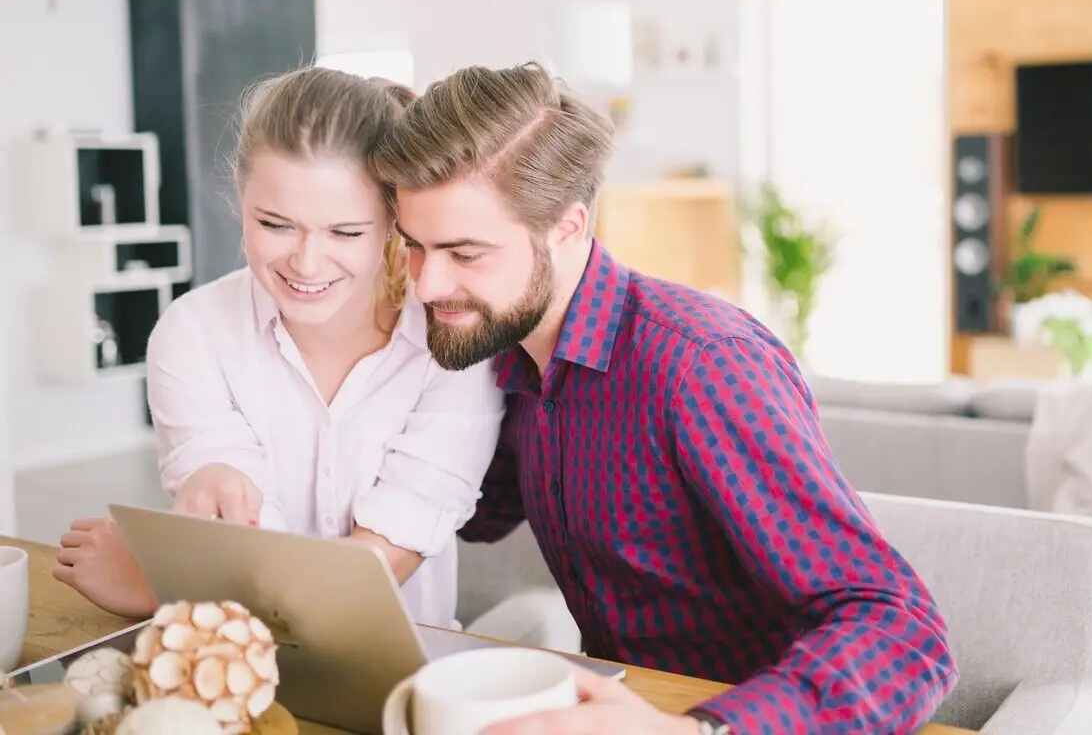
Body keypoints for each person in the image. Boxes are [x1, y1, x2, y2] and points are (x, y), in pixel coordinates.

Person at [369, 62, 958, 734]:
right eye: (414, 247)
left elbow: (905, 633)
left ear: (568, 227)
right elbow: (468, 514)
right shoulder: (506, 357)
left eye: (465, 253)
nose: (426, 283)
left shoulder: (700, 368)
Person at [54, 67, 505, 629]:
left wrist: (158, 588)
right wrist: (211, 494)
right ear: (240, 200)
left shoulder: (449, 340)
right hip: (228, 658)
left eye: (346, 232)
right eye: (275, 224)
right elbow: (239, 560)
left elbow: (381, 558)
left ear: (394, 224)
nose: (307, 264)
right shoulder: (192, 334)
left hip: (406, 681)